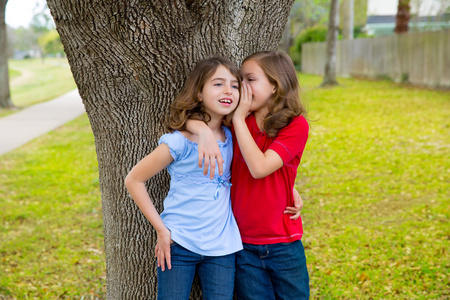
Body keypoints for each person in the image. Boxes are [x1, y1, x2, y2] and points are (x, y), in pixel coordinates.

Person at [187, 50, 310, 299]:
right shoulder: (236, 121)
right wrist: (203, 132)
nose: (241, 87)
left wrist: (240, 119)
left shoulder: (295, 125)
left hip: (283, 243)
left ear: (275, 85)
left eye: (250, 79)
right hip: (241, 244)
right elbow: (188, 119)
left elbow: (260, 168)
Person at [124, 56, 243, 300]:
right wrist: (161, 229)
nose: (228, 90)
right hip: (178, 242)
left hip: (222, 245)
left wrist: (289, 188)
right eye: (218, 84)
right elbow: (134, 180)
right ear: (199, 93)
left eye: (234, 85)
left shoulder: (236, 137)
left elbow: (258, 167)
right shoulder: (180, 142)